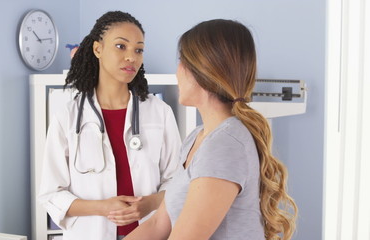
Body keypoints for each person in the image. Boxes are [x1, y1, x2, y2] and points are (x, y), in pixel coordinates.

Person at [123, 19, 298, 240]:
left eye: (181, 61)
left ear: (202, 71)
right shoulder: (197, 137)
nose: (177, 71)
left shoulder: (225, 144)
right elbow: (159, 224)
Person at [38, 11, 181, 240]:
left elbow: (178, 181)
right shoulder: (67, 116)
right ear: (98, 49)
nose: (131, 57)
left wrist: (149, 204)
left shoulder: (159, 112)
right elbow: (51, 194)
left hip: (148, 232)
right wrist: (103, 207)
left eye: (138, 49)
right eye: (121, 46)